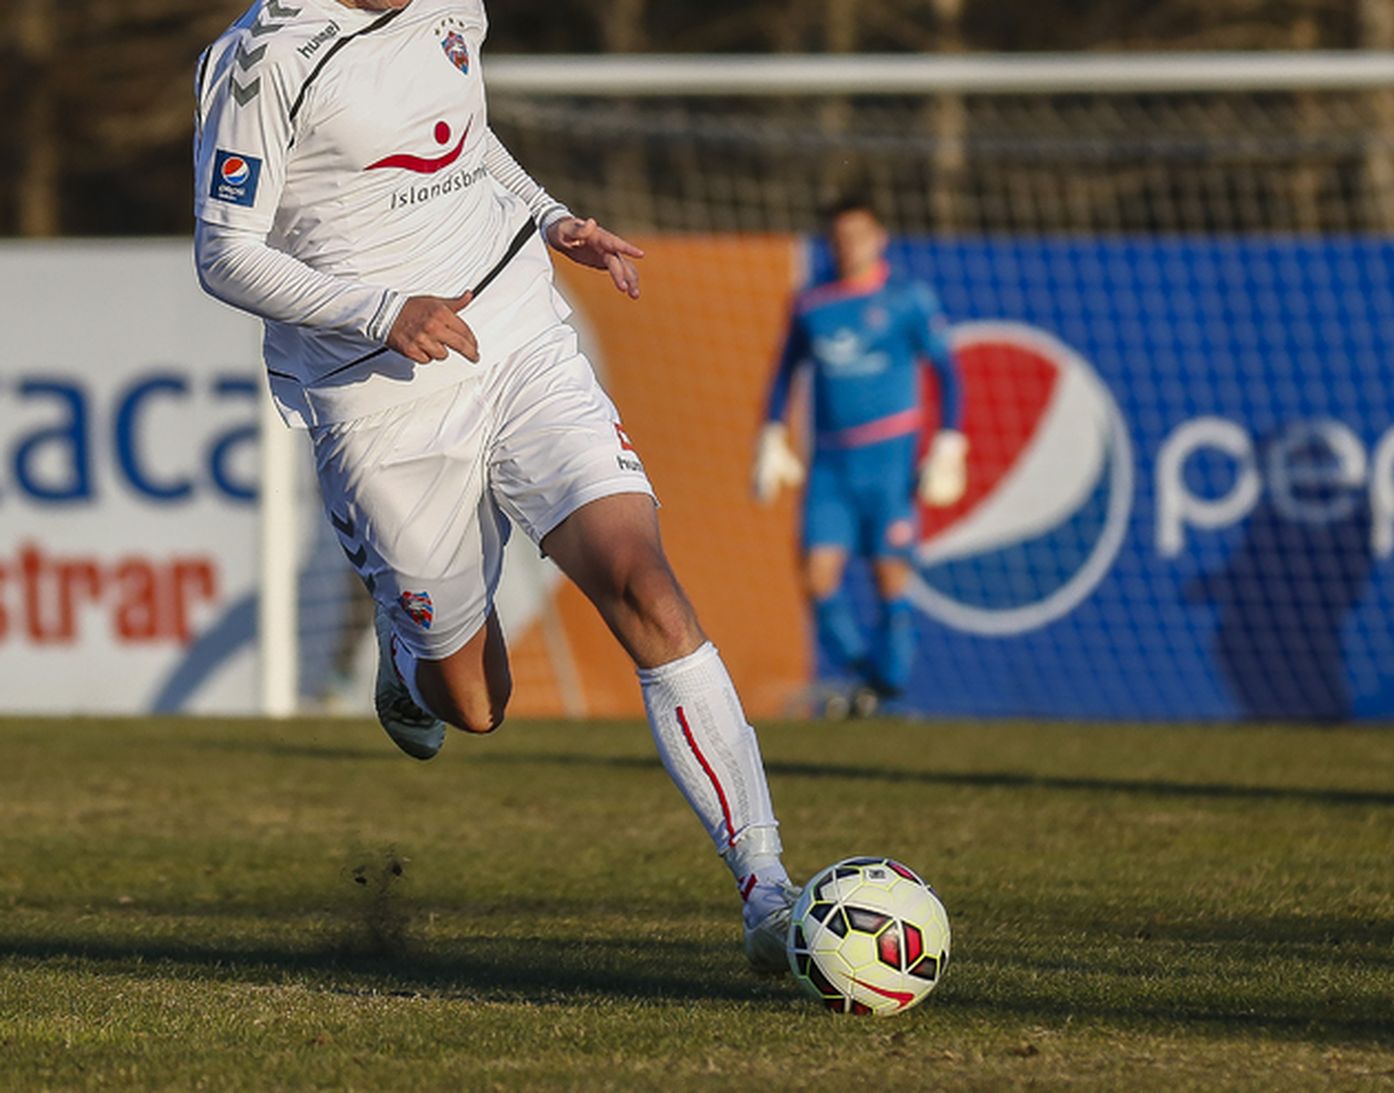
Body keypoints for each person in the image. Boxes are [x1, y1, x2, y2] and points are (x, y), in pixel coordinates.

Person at [192, 0, 797, 972]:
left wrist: (550, 217)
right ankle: (407, 646)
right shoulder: (263, 62)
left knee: (643, 581)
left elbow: (462, 132)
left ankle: (766, 889)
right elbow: (224, 251)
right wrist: (381, 310)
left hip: (515, 335)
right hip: (377, 392)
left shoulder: (447, 6)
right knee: (473, 703)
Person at [754, 197, 966, 718]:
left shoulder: (907, 300)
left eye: (859, 235)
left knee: (890, 577)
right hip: (830, 465)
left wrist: (948, 441)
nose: (849, 246)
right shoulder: (812, 303)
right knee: (816, 577)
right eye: (839, 237)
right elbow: (786, 371)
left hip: (889, 464)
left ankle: (886, 687)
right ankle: (871, 678)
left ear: (880, 239)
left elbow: (947, 372)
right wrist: (773, 434)